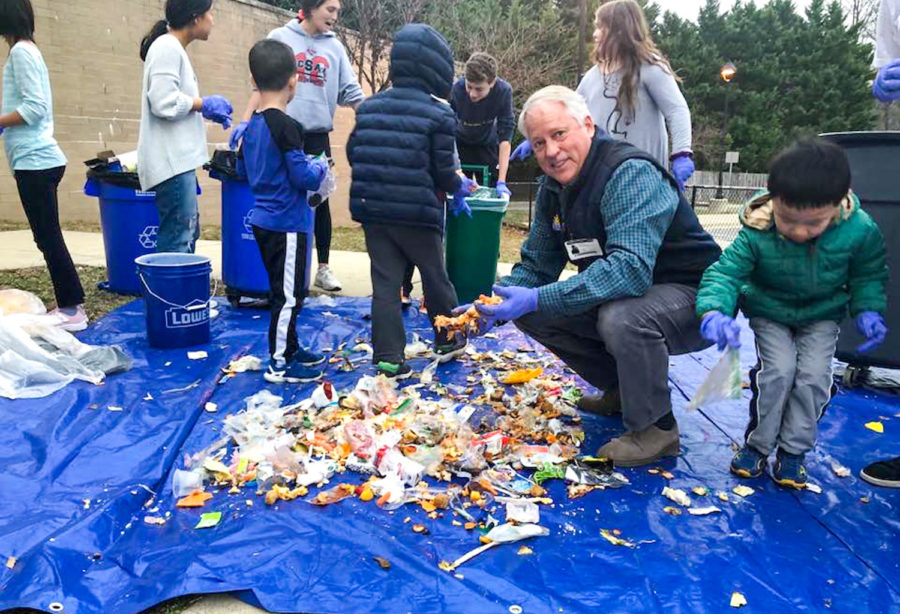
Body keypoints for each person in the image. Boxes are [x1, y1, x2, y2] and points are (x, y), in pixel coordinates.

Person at [463, 85, 721, 466]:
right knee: (531, 310)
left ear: (587, 124)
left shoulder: (628, 173)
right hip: (634, 294)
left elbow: (629, 272)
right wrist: (490, 306)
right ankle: (621, 389)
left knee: (621, 316)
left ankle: (656, 429)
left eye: (559, 134)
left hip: (696, 298)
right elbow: (537, 265)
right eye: (538, 143)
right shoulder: (553, 188)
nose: (550, 151)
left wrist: (537, 296)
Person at [696, 139, 888, 489]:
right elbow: (726, 273)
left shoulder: (860, 230)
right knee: (778, 373)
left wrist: (868, 309)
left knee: (813, 378)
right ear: (773, 200)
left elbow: (868, 275)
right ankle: (758, 445)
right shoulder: (758, 228)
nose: (798, 232)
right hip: (770, 312)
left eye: (813, 224)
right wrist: (714, 310)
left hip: (822, 316)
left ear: (839, 202)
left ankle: (793, 451)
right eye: (787, 220)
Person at [347, 23, 476, 379]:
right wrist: (460, 186)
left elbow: (353, 152)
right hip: (419, 215)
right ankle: (448, 339)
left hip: (374, 211)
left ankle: (388, 356)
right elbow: (444, 171)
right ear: (437, 69)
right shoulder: (439, 114)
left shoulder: (369, 108)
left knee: (385, 285)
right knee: (435, 277)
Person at [233, 0, 365, 293]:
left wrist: (371, 116)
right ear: (311, 7)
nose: (335, 16)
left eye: (338, 11)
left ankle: (322, 267)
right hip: (282, 132)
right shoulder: (281, 37)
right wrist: (246, 123)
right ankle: (280, 264)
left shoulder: (335, 48)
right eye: (330, 9)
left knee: (320, 201)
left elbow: (351, 91)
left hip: (317, 134)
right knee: (281, 194)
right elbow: (261, 87)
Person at [510, 0, 695, 192]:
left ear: (619, 30)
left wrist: (681, 153)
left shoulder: (650, 67)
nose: (595, 34)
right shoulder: (593, 76)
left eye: (600, 27)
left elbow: (677, 110)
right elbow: (568, 115)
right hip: (602, 182)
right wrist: (538, 139)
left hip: (643, 181)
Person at [237, 40, 328, 384]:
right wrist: (319, 169)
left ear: (253, 80)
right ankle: (278, 362)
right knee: (289, 296)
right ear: (294, 81)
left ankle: (290, 348)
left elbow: (244, 172)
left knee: (285, 291)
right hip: (287, 224)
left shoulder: (252, 128)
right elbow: (302, 176)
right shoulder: (286, 127)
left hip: (263, 219)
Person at [0, 0, 87, 331]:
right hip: (34, 158)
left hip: (35, 160)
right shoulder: (26, 51)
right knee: (46, 236)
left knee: (48, 236)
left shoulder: (21, 52)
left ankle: (72, 308)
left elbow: (34, 108)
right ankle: (69, 302)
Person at [138, 0, 233, 254]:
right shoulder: (167, 48)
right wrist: (202, 104)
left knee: (187, 234)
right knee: (178, 238)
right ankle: (170, 294)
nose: (212, 19)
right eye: (209, 13)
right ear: (195, 17)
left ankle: (179, 292)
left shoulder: (173, 48)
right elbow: (162, 102)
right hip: (172, 164)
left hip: (178, 163)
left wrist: (203, 108)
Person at [451, 52, 515, 196]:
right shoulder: (456, 89)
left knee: (492, 192)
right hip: (460, 145)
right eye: (469, 86)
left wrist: (502, 181)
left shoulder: (503, 91)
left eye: (479, 89)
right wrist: (456, 171)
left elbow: (505, 137)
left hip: (487, 146)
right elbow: (446, 129)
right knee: (458, 192)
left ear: (492, 83)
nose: (472, 93)